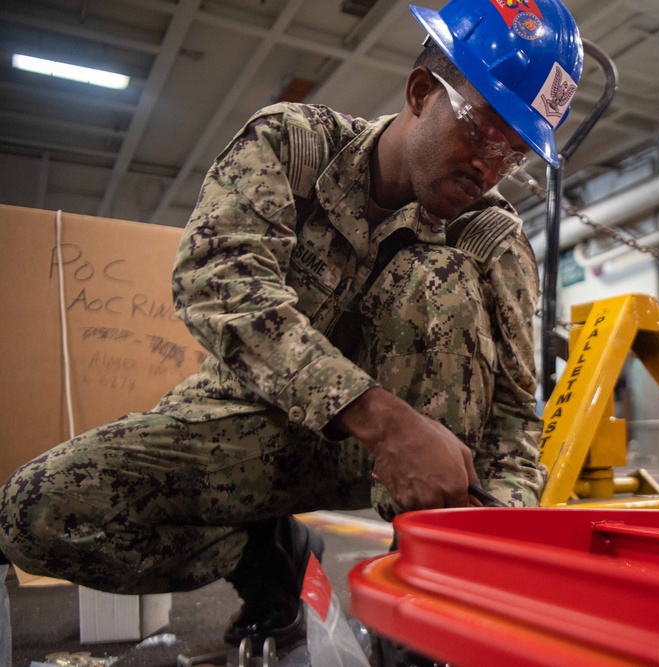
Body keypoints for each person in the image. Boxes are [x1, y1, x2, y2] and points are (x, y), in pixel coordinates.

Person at [0, 0, 584, 650]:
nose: (490, 166)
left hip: (414, 469)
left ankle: (422, 610)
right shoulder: (292, 144)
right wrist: (382, 418)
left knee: (439, 279)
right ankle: (269, 555)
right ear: (420, 92)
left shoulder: (491, 241)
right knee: (38, 511)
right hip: (264, 423)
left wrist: (489, 549)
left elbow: (512, 421)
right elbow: (216, 281)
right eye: (481, 129)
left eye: (514, 152)